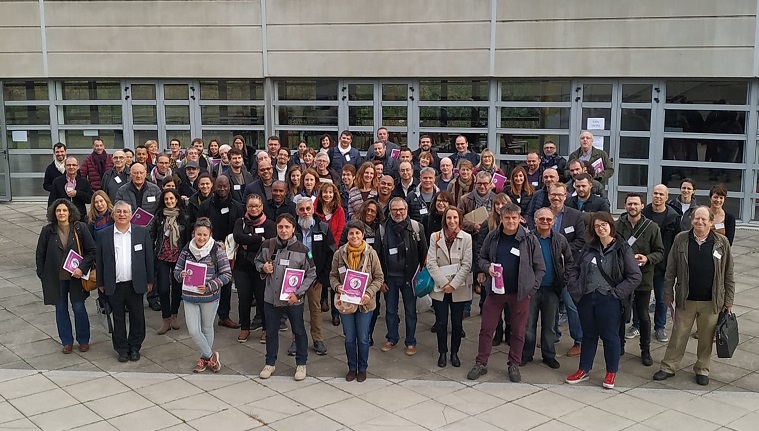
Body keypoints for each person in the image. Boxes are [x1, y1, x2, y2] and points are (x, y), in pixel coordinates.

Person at [653, 206, 735, 386]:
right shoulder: (681, 239)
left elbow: (729, 273)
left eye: (704, 219)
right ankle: (668, 367)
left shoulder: (722, 242)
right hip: (685, 299)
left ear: (711, 222)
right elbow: (671, 269)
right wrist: (668, 293)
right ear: (692, 220)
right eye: (696, 218)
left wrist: (728, 300)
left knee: (706, 339)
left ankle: (702, 369)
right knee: (678, 336)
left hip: (712, 301)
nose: (699, 222)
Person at [467, 203, 545, 383]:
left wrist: (531, 288)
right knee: (487, 328)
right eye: (507, 218)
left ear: (520, 219)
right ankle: (481, 363)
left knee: (518, 331)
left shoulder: (529, 239)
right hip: (495, 292)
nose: (510, 221)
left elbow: (540, 267)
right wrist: (487, 269)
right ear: (501, 218)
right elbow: (482, 258)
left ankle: (514, 364)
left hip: (520, 293)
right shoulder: (493, 236)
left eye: (514, 218)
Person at [565, 212, 642, 389]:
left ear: (611, 226)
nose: (600, 228)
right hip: (587, 298)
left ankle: (611, 372)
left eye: (604, 225)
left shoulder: (622, 248)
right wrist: (576, 288)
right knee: (589, 335)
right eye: (597, 226)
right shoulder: (588, 247)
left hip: (609, 300)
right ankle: (584, 369)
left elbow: (634, 276)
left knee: (610, 336)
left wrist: (616, 293)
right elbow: (575, 269)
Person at [255, 214, 317, 381]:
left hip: (293, 299)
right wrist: (263, 267)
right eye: (280, 227)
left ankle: (301, 364)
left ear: (293, 229)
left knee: (299, 331)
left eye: (287, 227)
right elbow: (257, 261)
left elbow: (311, 274)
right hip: (271, 298)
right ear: (276, 228)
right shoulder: (268, 245)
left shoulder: (304, 250)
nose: (283, 230)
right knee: (271, 332)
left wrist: (298, 294)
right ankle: (270, 363)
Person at [96, 201, 155, 362]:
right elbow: (99, 261)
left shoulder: (141, 233)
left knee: (137, 317)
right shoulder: (104, 235)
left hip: (135, 283)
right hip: (114, 284)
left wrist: (150, 280)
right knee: (118, 318)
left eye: (125, 212)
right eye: (118, 212)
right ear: (113, 215)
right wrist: (100, 282)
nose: (122, 215)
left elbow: (148, 259)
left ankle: (135, 347)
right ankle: (121, 349)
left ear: (131, 215)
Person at [36, 199, 96, 354]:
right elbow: (40, 254)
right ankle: (67, 342)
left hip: (75, 278)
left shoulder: (80, 228)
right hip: (56, 279)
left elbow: (92, 251)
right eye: (58, 211)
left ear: (70, 212)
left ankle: (83, 340)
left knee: (79, 308)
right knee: (60, 309)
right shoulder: (47, 231)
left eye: (64, 210)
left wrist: (82, 269)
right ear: (54, 213)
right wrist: (42, 274)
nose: (61, 213)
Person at [174, 217, 232, 373]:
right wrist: (182, 275)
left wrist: (210, 286)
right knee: (193, 330)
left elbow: (226, 274)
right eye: (198, 234)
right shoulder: (186, 250)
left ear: (210, 235)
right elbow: (176, 271)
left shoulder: (217, 251)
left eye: (205, 235)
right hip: (189, 297)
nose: (201, 238)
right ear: (193, 234)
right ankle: (210, 356)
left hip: (209, 297)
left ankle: (203, 359)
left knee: (207, 328)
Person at [330, 220, 384, 382]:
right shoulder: (339, 254)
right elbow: (332, 276)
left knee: (362, 337)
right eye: (351, 233)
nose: (354, 236)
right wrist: (337, 286)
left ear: (363, 235)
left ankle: (362, 368)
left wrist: (369, 293)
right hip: (346, 303)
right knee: (349, 337)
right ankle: (351, 367)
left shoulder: (371, 253)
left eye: (357, 233)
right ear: (347, 235)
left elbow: (379, 277)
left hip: (365, 303)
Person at [616, 193, 664, 366]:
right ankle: (618, 346)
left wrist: (647, 258)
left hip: (643, 278)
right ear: (625, 205)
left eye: (636, 204)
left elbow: (660, 251)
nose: (632, 207)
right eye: (629, 204)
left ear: (642, 206)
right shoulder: (617, 225)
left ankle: (645, 350)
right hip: (621, 278)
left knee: (643, 315)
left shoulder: (652, 227)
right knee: (620, 314)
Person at [522, 207, 573, 369]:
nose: (545, 222)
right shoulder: (527, 238)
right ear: (535, 220)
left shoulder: (560, 239)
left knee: (550, 326)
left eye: (549, 219)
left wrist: (563, 280)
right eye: (541, 219)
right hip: (531, 290)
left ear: (554, 221)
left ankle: (548, 355)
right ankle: (526, 354)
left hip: (552, 289)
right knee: (528, 326)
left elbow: (570, 262)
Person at [378, 197, 428, 356]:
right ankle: (392, 338)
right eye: (394, 209)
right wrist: (381, 280)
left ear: (406, 210)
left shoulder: (416, 227)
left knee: (410, 311)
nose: (398, 212)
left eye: (401, 209)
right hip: (390, 278)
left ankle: (411, 341)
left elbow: (424, 254)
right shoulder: (382, 229)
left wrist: (421, 276)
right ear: (390, 211)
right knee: (391, 310)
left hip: (410, 278)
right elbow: (378, 256)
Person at [288, 196, 336, 356]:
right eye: (301, 209)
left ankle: (318, 339)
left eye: (308, 208)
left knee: (315, 308)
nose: (305, 212)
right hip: (295, 277)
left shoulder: (323, 227)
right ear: (296, 211)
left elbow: (330, 254)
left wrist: (323, 278)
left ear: (313, 209)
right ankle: (297, 339)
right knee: (296, 309)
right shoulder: (291, 228)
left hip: (315, 277)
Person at [426, 206, 472, 368]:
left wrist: (453, 285)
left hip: (458, 288)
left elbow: (467, 265)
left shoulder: (466, 238)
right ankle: (443, 352)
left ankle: (455, 352)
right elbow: (430, 263)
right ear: (444, 219)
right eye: (448, 218)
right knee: (441, 322)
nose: (452, 221)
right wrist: (443, 283)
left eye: (455, 218)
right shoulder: (435, 237)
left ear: (459, 219)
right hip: (440, 288)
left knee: (457, 323)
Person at [197, 175, 245, 328]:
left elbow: (241, 227)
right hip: (209, 249)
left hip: (230, 250)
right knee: (207, 283)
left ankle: (223, 316)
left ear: (229, 186)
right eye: (219, 186)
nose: (222, 189)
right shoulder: (205, 205)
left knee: (225, 282)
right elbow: (199, 227)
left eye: (225, 186)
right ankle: (205, 318)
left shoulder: (237, 206)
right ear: (214, 187)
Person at [636, 185, 682, 343]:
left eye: (661, 194)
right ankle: (636, 325)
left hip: (664, 265)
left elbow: (678, 242)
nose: (658, 196)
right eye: (655, 193)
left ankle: (660, 327)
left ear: (667, 197)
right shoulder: (644, 213)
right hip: (645, 263)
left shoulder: (673, 217)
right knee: (640, 296)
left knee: (662, 298)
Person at [546, 182, 585, 357]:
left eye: (560, 195)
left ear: (566, 196)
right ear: (549, 195)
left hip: (569, 269)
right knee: (550, 306)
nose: (556, 197)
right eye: (553, 194)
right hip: (548, 269)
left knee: (571, 305)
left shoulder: (575, 216)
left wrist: (562, 248)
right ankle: (552, 335)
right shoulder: (543, 214)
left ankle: (579, 340)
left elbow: (582, 240)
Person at [233, 194, 277, 343]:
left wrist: (249, 240)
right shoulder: (240, 222)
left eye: (257, 206)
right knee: (243, 298)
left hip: (262, 267)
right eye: (251, 206)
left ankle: (265, 328)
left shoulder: (269, 225)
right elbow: (238, 237)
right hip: (242, 266)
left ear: (262, 207)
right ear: (246, 207)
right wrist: (259, 239)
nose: (254, 209)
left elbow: (270, 243)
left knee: (262, 298)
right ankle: (245, 328)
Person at [342, 200, 385, 342]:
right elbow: (343, 245)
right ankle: (357, 334)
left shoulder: (381, 229)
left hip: (372, 275)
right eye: (367, 210)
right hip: (352, 275)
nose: (370, 213)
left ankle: (368, 333)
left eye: (373, 211)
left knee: (374, 307)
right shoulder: (353, 226)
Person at [150, 189, 191, 334]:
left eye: (172, 199)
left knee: (177, 288)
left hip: (179, 258)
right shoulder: (158, 217)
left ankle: (174, 315)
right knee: (163, 289)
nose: (169, 201)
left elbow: (187, 240)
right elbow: (152, 236)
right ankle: (165, 318)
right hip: (162, 257)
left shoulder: (184, 217)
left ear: (176, 200)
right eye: (166, 199)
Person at [51, 157, 92, 223]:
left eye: (74, 165)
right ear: (65, 166)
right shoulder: (57, 182)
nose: (71, 167)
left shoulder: (84, 181)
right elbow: (52, 201)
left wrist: (77, 193)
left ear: (78, 167)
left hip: (80, 218)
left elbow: (89, 198)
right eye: (68, 165)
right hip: (62, 217)